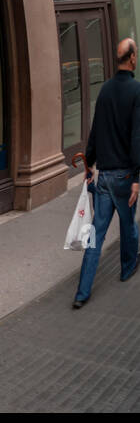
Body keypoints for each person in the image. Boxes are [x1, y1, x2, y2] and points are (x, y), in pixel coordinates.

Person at [73, 38, 140, 308]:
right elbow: (137, 137)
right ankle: (128, 267)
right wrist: (136, 178)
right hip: (124, 177)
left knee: (96, 235)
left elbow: (95, 131)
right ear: (132, 58)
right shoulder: (136, 90)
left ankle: (82, 293)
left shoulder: (105, 90)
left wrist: (89, 165)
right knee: (128, 224)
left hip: (104, 176)